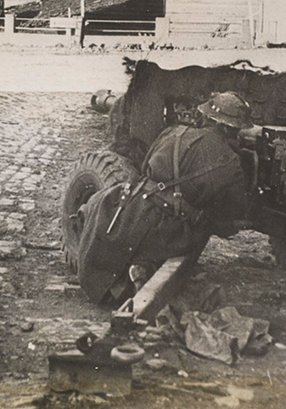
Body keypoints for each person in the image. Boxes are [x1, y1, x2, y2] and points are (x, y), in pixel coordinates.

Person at [76, 91, 250, 304]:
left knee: (110, 223)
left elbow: (144, 167)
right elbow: (231, 215)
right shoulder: (231, 164)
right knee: (194, 232)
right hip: (172, 229)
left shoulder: (173, 132)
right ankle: (143, 267)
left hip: (137, 207)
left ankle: (133, 268)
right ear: (230, 128)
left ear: (208, 118)